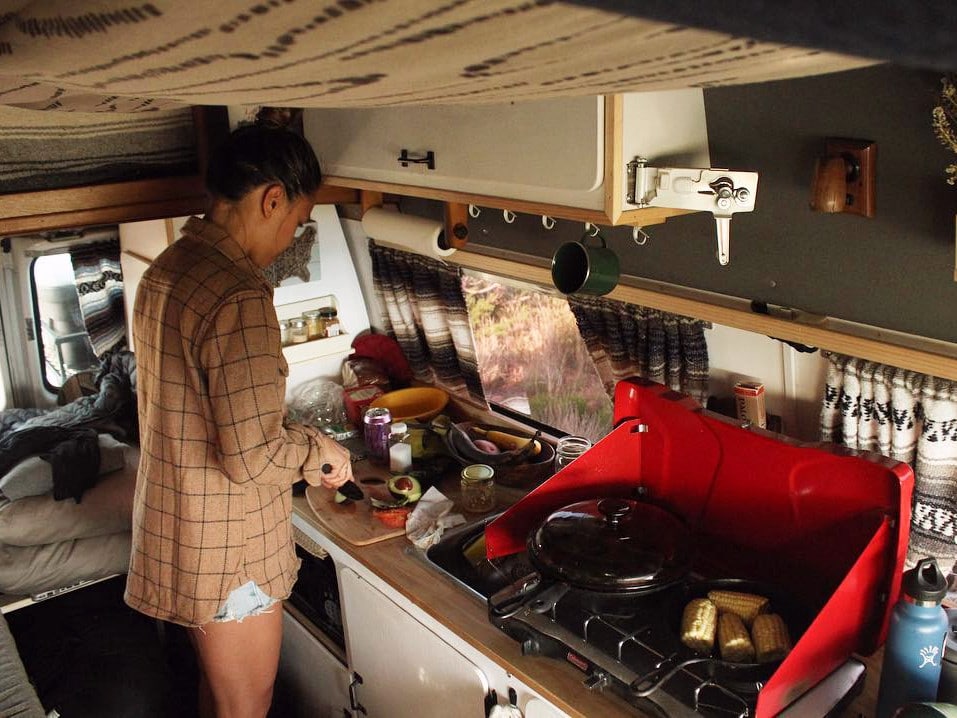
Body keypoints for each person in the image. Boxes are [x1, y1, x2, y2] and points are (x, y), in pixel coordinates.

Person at [124, 123, 353, 718]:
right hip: (232, 556)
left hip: (183, 532)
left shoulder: (166, 270)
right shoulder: (239, 296)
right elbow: (252, 459)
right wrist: (317, 449)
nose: (291, 237)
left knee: (222, 698)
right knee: (247, 706)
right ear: (272, 198)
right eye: (296, 221)